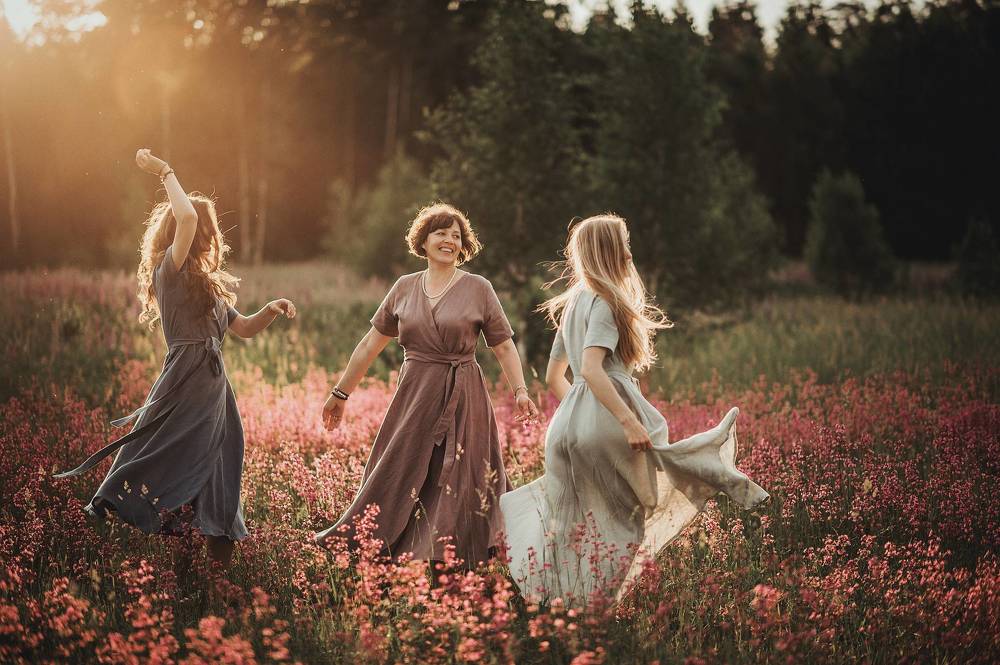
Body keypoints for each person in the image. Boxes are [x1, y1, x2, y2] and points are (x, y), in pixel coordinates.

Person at [500, 213, 769, 604]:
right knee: (626, 524)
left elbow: (556, 375)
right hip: (606, 422)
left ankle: (558, 609)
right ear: (611, 250)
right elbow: (592, 368)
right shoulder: (607, 302)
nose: (630, 251)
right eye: (625, 242)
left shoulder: (573, 302)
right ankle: (716, 465)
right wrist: (624, 419)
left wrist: (580, 412)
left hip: (563, 430)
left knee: (570, 526)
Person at [55, 148, 296, 568]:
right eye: (203, 225)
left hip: (216, 391)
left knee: (221, 466)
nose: (207, 231)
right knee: (162, 448)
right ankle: (107, 503)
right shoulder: (170, 271)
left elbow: (241, 329)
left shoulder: (212, 285)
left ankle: (215, 574)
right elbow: (185, 217)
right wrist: (165, 172)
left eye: (207, 227)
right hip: (185, 377)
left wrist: (270, 310)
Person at [315, 203, 539, 567]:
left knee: (461, 474)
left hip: (463, 394)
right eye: (441, 233)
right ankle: (378, 546)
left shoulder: (478, 288)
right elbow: (371, 344)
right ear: (424, 240)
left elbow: (502, 345)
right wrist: (340, 392)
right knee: (399, 465)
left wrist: (521, 391)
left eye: (456, 235)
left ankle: (453, 557)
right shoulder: (404, 287)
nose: (449, 240)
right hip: (415, 394)